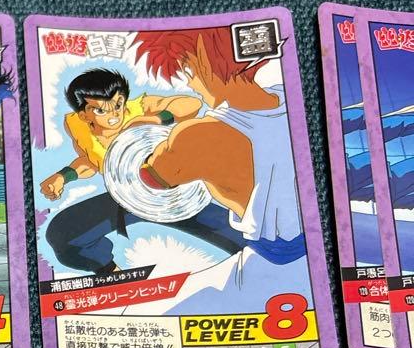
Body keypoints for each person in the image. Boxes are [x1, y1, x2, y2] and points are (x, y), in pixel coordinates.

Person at [129, 27, 313, 312]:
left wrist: (151, 126)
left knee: (143, 313)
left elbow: (152, 177)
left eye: (188, 69)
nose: (190, 83)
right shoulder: (288, 97)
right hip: (312, 242)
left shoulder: (196, 136)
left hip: (276, 261)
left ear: (209, 61)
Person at [39, 68, 240, 278]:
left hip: (174, 195)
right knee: (63, 235)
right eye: (100, 110)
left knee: (244, 234)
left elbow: (192, 105)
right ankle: (111, 275)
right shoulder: (77, 126)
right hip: (127, 198)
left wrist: (155, 120)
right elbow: (91, 161)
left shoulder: (139, 107)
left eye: (118, 105)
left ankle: (258, 264)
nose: (114, 115)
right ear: (84, 114)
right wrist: (63, 176)